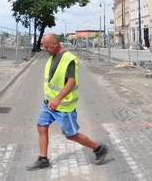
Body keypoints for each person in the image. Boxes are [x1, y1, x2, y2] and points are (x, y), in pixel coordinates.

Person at [26, 32, 108, 171]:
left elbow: (71, 81)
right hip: (48, 104)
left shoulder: (68, 59)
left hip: (63, 107)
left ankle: (99, 149)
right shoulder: (53, 57)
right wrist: (51, 99)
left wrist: (58, 99)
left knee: (71, 136)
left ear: (55, 43)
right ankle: (43, 159)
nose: (45, 49)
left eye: (47, 46)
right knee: (41, 126)